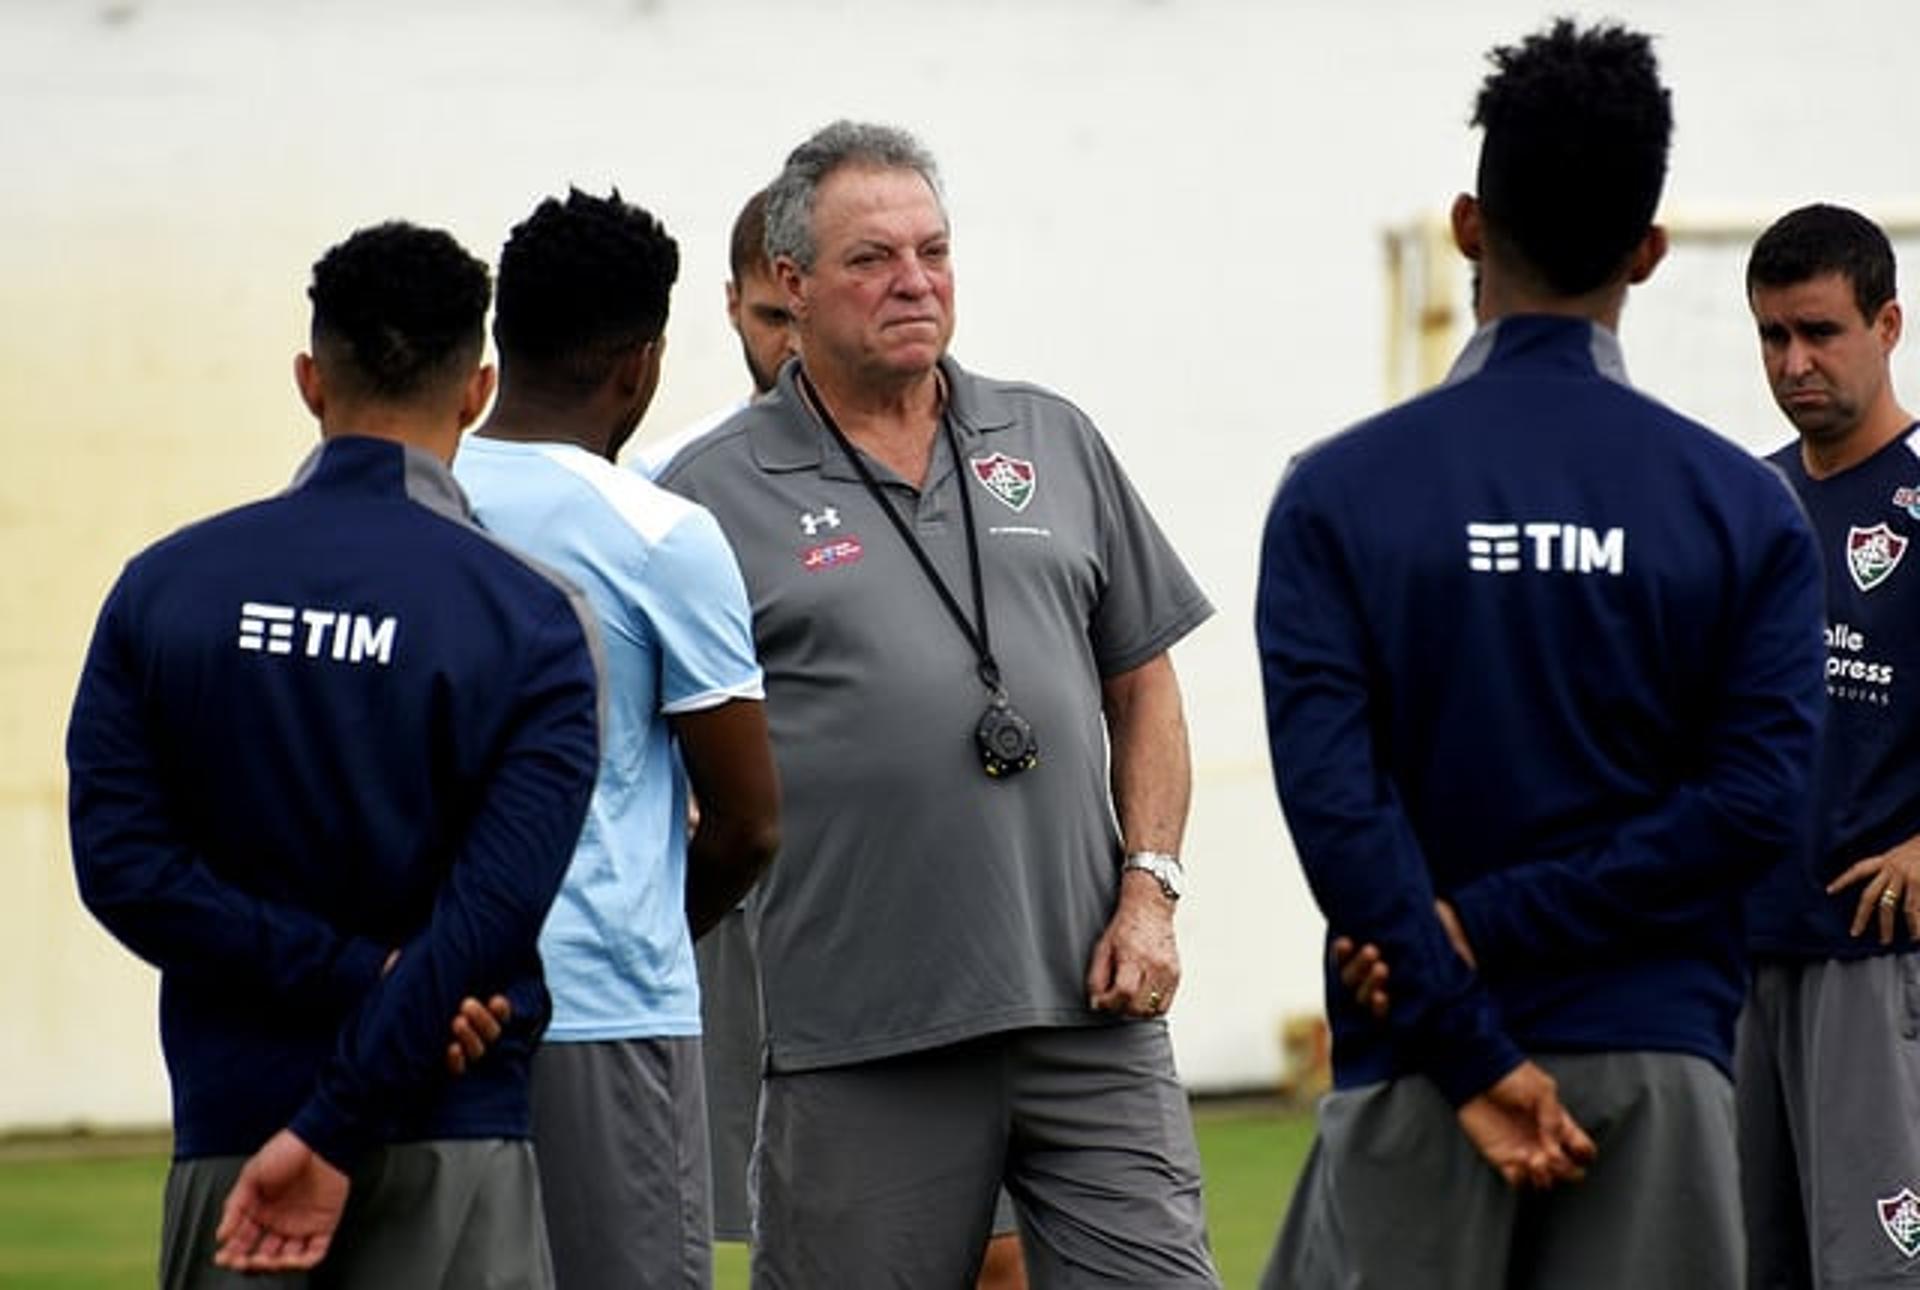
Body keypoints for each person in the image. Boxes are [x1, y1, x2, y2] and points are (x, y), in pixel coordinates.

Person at [1255, 20, 1826, 1289]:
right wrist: (1486, 930)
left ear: (1469, 224)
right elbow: (1755, 811)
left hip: (1415, 1053)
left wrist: (1460, 1004)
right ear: (1651, 252)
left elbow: (1339, 816)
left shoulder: (1337, 495)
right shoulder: (1742, 508)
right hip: (1658, 1063)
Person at [658, 120, 1221, 1289]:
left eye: (934, 251)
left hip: (1090, 1012)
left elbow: (1143, 680)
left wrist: (1150, 891)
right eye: (872, 259)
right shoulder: (705, 495)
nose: (914, 282)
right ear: (790, 284)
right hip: (858, 1037)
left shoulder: (1052, 437)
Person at [66, 221, 603, 1286]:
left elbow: (125, 870)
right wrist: (349, 1104)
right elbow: (488, 920)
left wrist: (341, 1005)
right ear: (478, 389)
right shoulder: (534, 617)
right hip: (452, 1131)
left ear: (311, 380)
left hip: (238, 1141)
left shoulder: (164, 587)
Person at [452, 188, 780, 1288]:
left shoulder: (420, 496)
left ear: (502, 342)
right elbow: (748, 823)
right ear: (640, 363)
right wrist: (652, 931)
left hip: (415, 1001)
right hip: (602, 1006)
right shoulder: (661, 534)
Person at [1739, 203, 1920, 1288]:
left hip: (1877, 957)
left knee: (1876, 1272)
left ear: (1888, 323)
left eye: (1820, 332)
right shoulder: (1746, 501)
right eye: (1772, 336)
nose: (1795, 363)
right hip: (1747, 955)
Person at [634, 187, 798, 478]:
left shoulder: (902, 462)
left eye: (810, 318)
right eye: (774, 317)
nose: (796, 344)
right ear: (734, 304)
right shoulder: (666, 474)